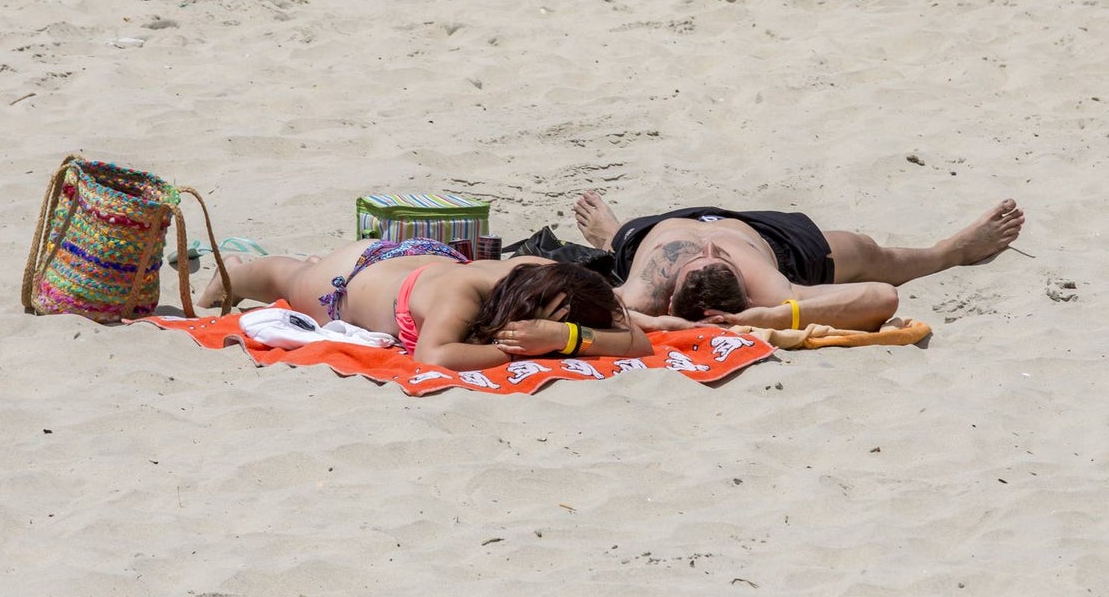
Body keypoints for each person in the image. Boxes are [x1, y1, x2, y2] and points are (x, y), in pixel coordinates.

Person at [571, 191, 1025, 332]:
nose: (709, 248)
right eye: (717, 259)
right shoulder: (774, 291)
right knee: (866, 253)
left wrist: (653, 323)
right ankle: (951, 254)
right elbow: (882, 296)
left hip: (647, 233)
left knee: (619, 248)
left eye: (709, 257)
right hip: (770, 241)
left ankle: (612, 236)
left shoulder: (639, 294)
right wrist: (768, 314)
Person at [197, 237, 652, 370]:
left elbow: (636, 342)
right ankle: (232, 269)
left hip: (427, 262)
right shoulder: (470, 293)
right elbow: (433, 354)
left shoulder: (557, 279)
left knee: (302, 266)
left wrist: (565, 337)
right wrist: (522, 348)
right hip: (355, 281)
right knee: (287, 275)